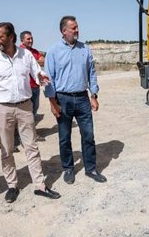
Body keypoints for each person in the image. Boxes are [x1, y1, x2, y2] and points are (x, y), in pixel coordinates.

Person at [0, 22, 61, 203]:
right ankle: (12, 185)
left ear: (11, 37)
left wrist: (41, 77)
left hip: (25, 106)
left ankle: (40, 185)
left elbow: (36, 73)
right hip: (2, 108)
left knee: (31, 147)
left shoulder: (25, 55)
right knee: (6, 149)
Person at [44, 15, 107, 185]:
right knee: (64, 137)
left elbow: (92, 73)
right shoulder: (53, 51)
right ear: (64, 31)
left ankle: (91, 169)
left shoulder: (85, 49)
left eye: (77, 27)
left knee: (88, 135)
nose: (77, 30)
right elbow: (49, 79)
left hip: (82, 99)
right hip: (62, 99)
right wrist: (52, 103)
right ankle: (68, 169)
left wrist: (93, 95)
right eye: (73, 28)